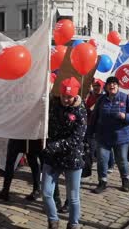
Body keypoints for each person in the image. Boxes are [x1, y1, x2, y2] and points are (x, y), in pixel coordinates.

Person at [41, 77, 87, 229]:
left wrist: (55, 146)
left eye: (69, 97)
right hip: (52, 157)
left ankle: (73, 224)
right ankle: (53, 221)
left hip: (72, 157)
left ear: (75, 96)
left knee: (73, 197)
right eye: (64, 96)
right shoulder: (53, 104)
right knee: (46, 192)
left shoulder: (80, 111)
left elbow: (77, 138)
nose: (66, 99)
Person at [89, 76, 129, 194]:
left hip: (120, 137)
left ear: (118, 86)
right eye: (110, 84)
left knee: (121, 160)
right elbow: (94, 117)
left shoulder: (125, 98)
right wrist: (90, 133)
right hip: (103, 136)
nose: (112, 86)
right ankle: (102, 182)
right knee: (102, 160)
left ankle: (125, 180)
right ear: (106, 87)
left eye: (114, 84)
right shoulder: (101, 99)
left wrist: (125, 116)